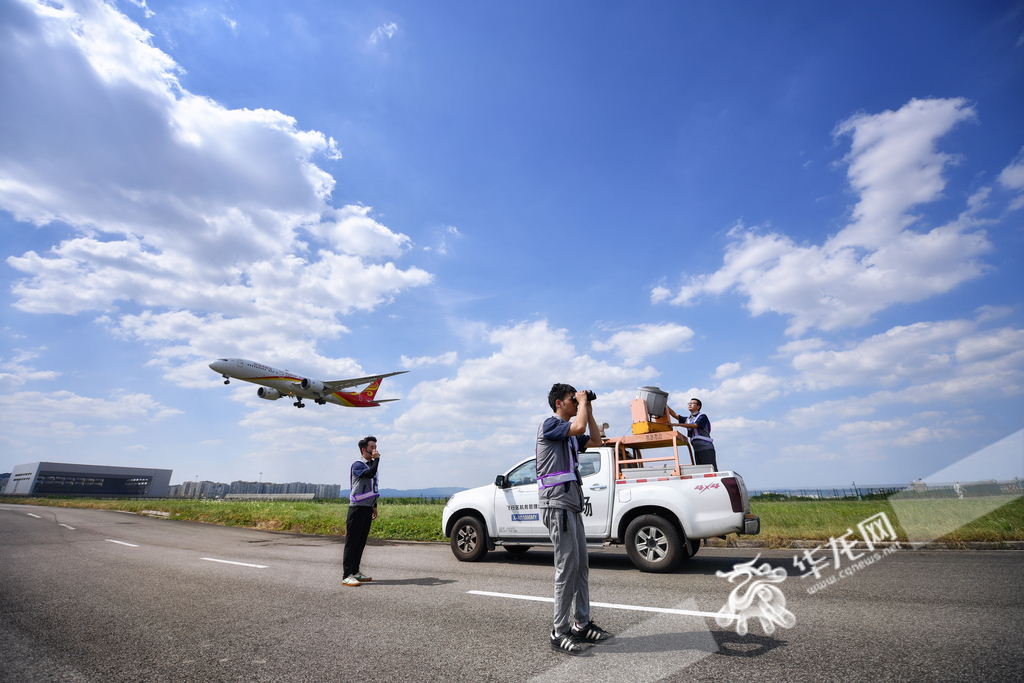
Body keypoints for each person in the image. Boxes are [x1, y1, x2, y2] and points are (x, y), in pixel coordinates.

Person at [537, 383, 614, 655]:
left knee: (581, 566)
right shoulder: (550, 425)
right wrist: (582, 406)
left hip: (571, 506)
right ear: (559, 403)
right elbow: (579, 428)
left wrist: (588, 409)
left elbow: (596, 440)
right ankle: (559, 631)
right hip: (557, 505)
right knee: (566, 569)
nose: (576, 402)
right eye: (573, 399)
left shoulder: (569, 435)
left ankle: (581, 624)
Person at [342, 436, 380, 587]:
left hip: (367, 508)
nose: (375, 450)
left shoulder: (371, 465)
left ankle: (355, 571)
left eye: (376, 447)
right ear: (364, 450)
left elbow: (373, 484)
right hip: (356, 508)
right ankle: (346, 575)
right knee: (352, 542)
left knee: (361, 541)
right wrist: (377, 460)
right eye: (372, 447)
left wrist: (374, 505)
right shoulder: (359, 465)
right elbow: (369, 474)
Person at [669, 398, 718, 471]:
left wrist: (677, 424)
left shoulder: (702, 416)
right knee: (701, 470)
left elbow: (695, 425)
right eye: (689, 403)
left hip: (705, 447)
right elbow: (675, 415)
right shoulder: (688, 419)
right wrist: (664, 405)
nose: (689, 404)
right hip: (697, 448)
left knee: (710, 469)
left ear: (698, 407)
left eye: (692, 403)